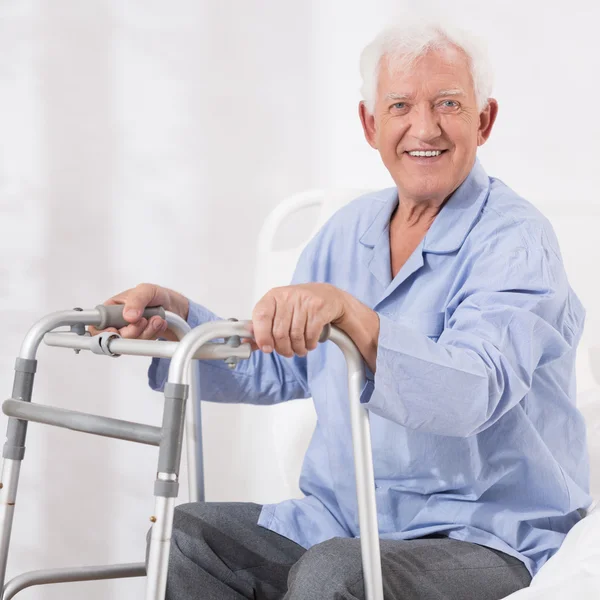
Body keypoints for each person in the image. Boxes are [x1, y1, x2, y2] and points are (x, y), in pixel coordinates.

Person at [92, 18, 590, 600]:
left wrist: (357, 318)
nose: (423, 126)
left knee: (334, 574)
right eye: (400, 105)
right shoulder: (344, 233)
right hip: (345, 522)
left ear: (483, 120)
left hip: (483, 536)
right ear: (370, 124)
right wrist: (179, 324)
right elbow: (283, 365)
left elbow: (473, 391)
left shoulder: (515, 241)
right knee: (192, 537)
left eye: (448, 103)